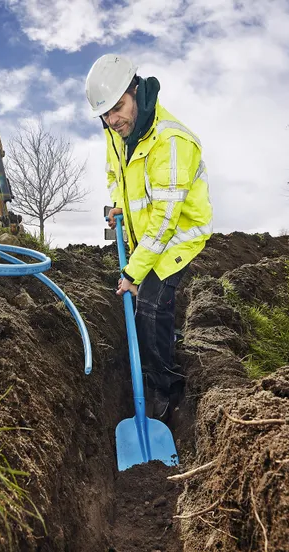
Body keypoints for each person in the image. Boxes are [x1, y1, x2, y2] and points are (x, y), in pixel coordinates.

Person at [85, 54, 213, 420]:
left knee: (151, 305)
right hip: (148, 232)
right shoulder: (116, 130)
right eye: (105, 114)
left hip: (179, 235)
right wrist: (117, 205)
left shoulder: (172, 142)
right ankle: (163, 344)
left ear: (136, 92)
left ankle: (167, 390)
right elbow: (116, 173)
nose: (113, 120)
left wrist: (132, 274)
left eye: (118, 108)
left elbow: (165, 222)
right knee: (148, 304)